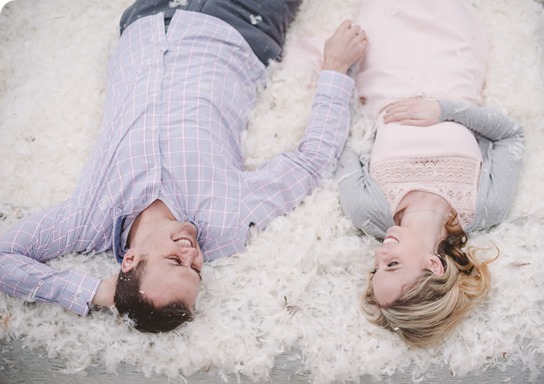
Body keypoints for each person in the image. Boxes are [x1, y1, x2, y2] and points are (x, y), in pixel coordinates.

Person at [0, 0, 368, 333]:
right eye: (196, 270)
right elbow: (312, 160)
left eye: (176, 260)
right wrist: (335, 68)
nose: (194, 253)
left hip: (147, 17)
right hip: (239, 21)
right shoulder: (227, 221)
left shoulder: (86, 219)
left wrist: (94, 292)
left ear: (129, 259)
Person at [333, 0, 525, 348]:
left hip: (382, 65)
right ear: (434, 266)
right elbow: (512, 135)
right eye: (390, 265)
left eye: (376, 270)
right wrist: (445, 110)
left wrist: (341, 66)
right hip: (454, 60)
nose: (377, 256)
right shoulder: (485, 206)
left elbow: (339, 135)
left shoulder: (367, 210)